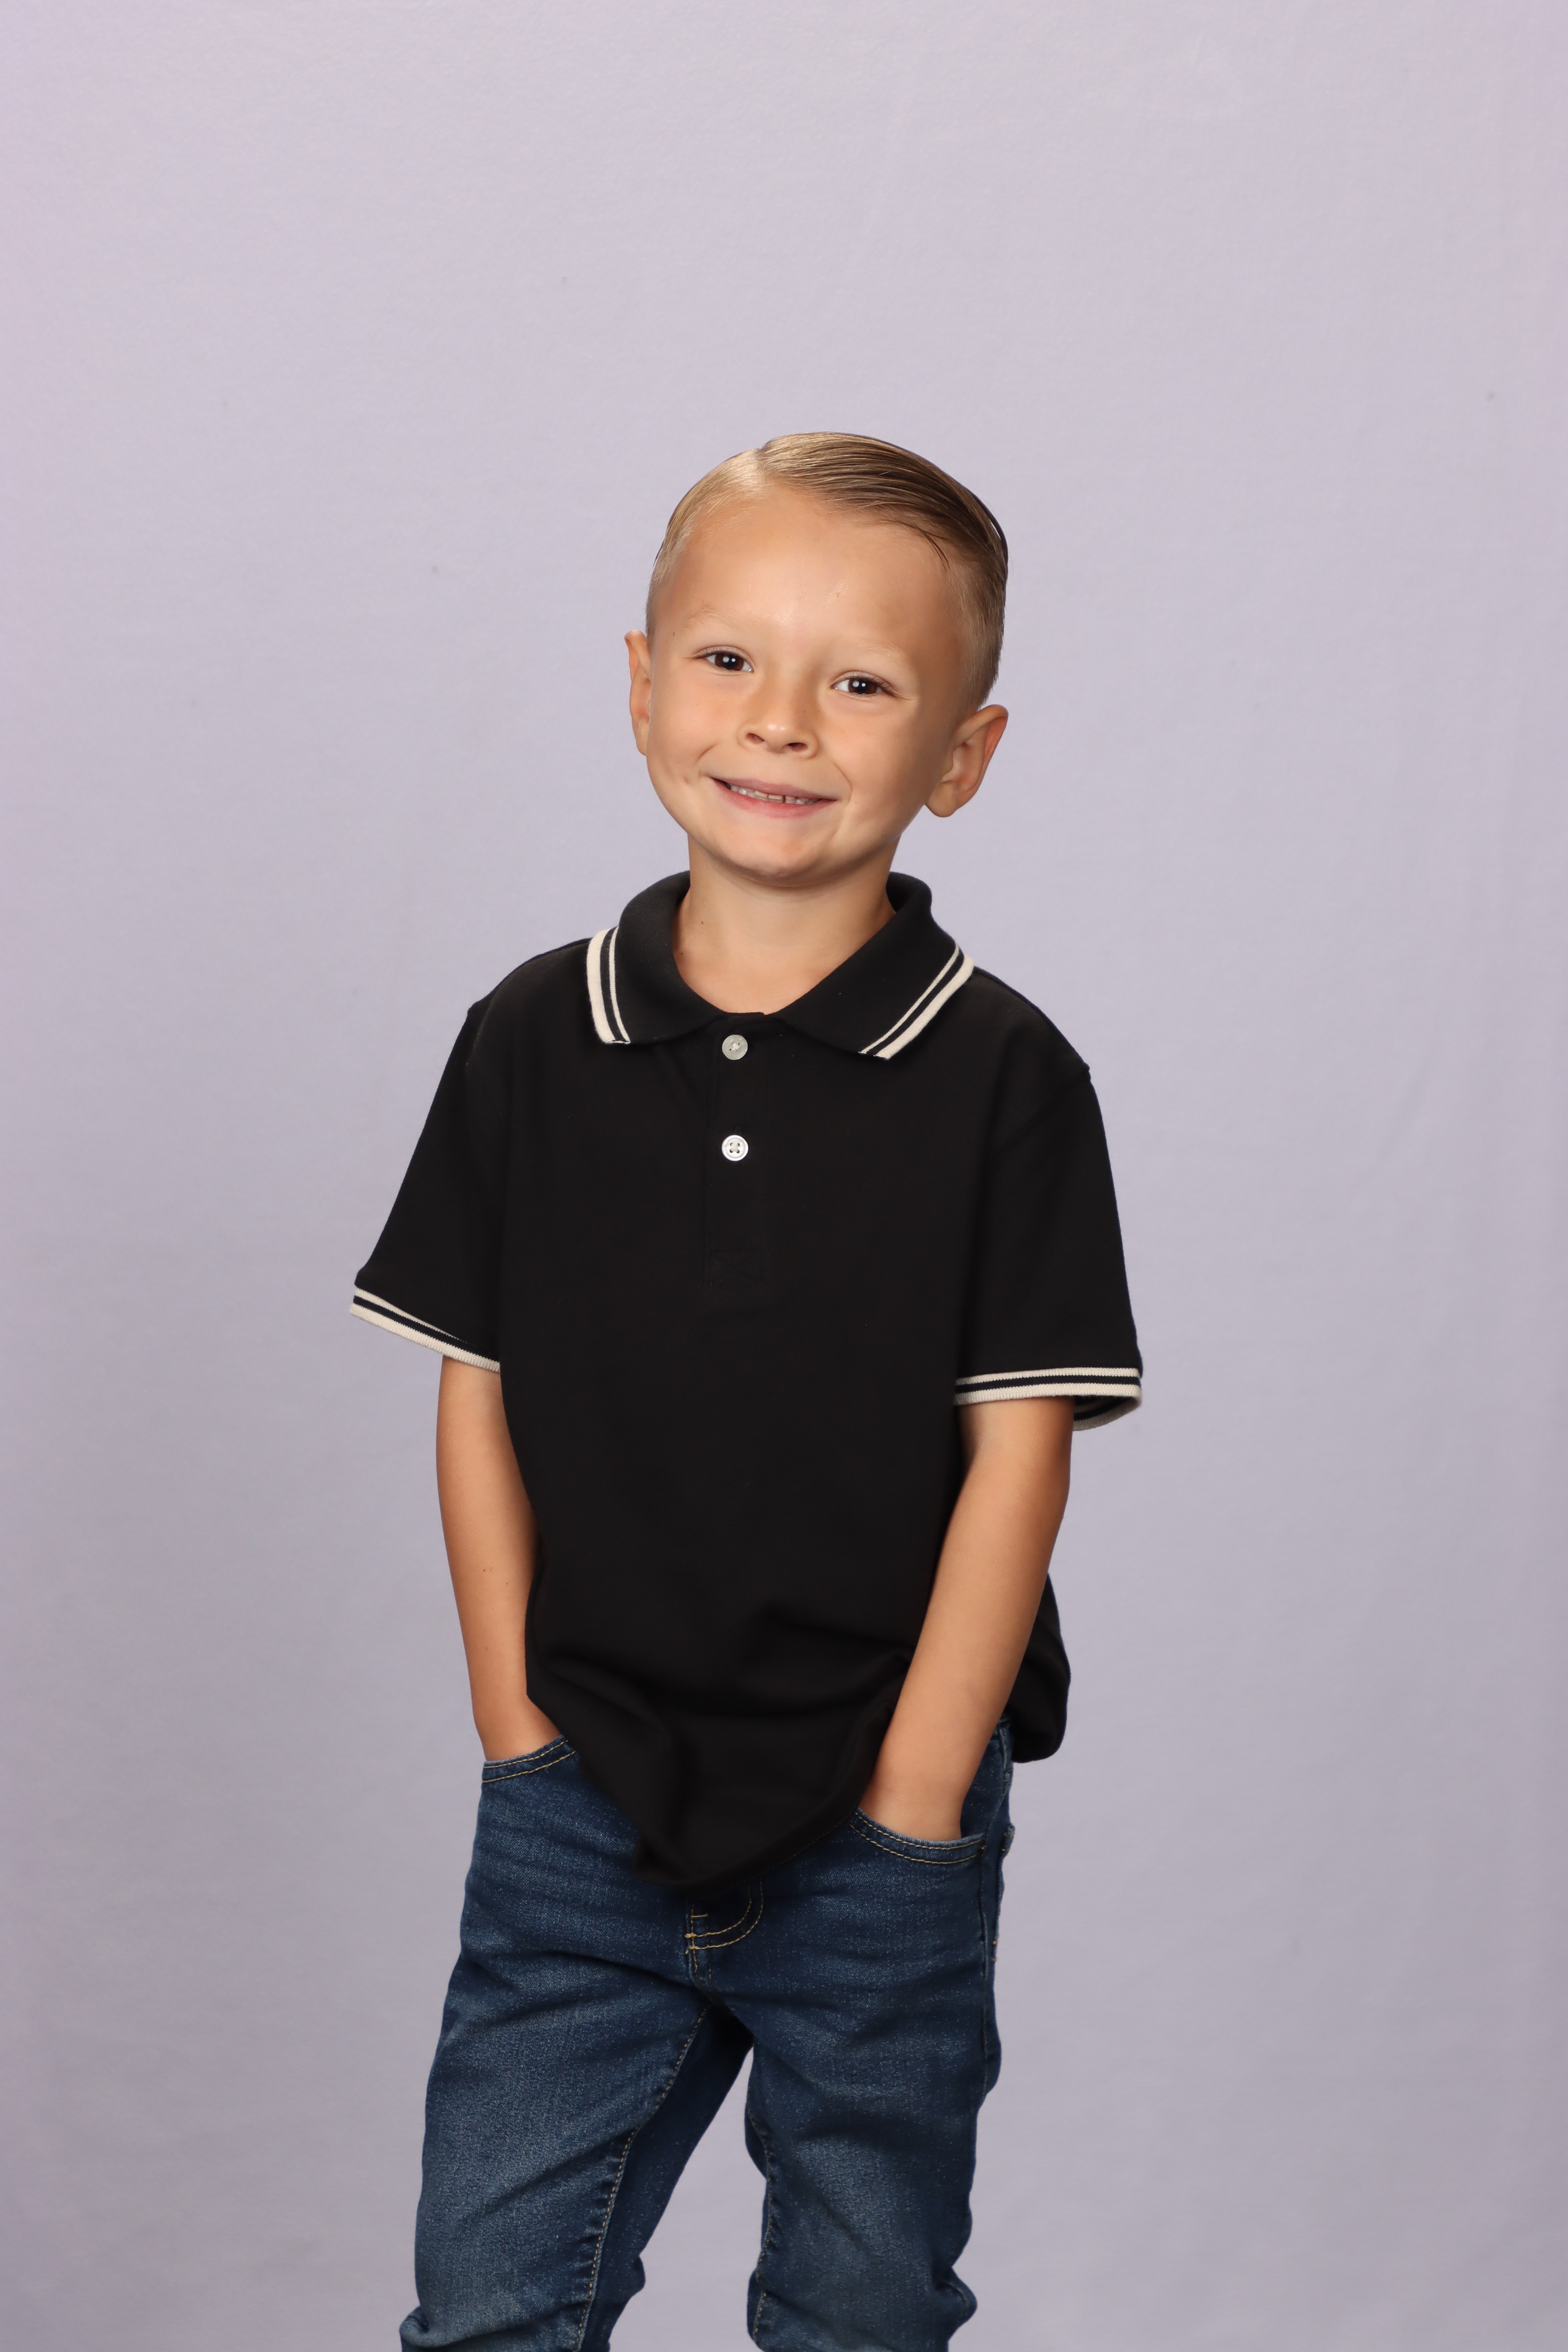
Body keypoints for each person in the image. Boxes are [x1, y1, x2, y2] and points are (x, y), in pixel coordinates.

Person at [352, 431, 1142, 2349]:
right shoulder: (531, 1038)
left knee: (860, 2300)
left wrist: (916, 1792)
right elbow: (477, 1396)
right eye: (726, 659)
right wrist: (516, 1725)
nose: (779, 719)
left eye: (860, 682)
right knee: (490, 2295)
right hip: (583, 1798)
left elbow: (1016, 1456)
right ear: (641, 684)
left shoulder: (1005, 1078)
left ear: (961, 753)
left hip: (876, 1818)